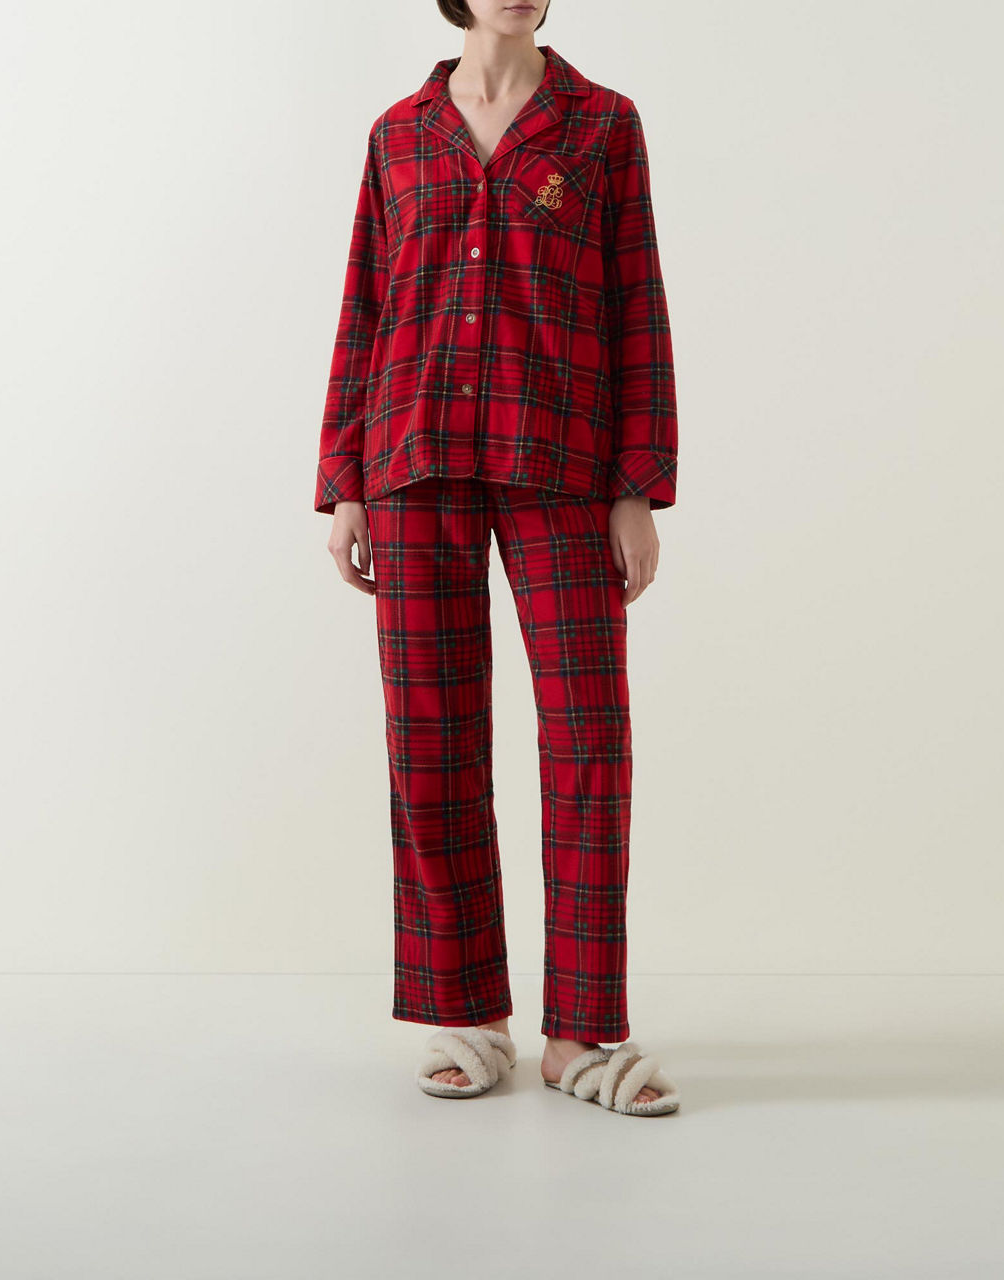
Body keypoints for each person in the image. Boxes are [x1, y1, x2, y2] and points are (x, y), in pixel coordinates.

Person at [315, 0, 681, 1116]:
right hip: (412, 452)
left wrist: (636, 486)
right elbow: (366, 305)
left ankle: (582, 1030)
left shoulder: (602, 124)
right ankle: (465, 1011)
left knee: (589, 738)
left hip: (560, 458)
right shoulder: (399, 134)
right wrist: (344, 478)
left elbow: (636, 307)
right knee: (430, 738)